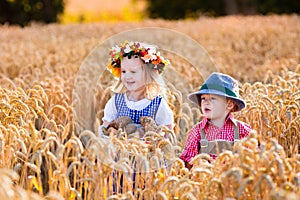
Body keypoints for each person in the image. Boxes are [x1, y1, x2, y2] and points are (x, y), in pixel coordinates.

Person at [99, 40, 174, 138]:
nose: (127, 76)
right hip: (119, 151)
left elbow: (168, 133)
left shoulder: (158, 104)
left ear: (149, 74)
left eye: (133, 72)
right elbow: (105, 130)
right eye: (124, 71)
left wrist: (157, 137)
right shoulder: (116, 102)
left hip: (148, 152)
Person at [180, 72, 251, 169]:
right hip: (205, 181)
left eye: (213, 98)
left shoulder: (242, 130)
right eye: (203, 98)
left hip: (234, 181)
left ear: (229, 105)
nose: (206, 102)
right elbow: (186, 164)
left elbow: (253, 159)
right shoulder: (197, 132)